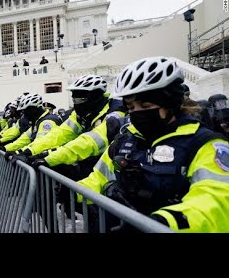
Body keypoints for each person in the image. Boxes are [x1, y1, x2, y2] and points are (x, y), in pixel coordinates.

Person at [77, 56, 229, 232]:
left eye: (145, 106)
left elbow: (216, 201)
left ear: (170, 103)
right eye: (131, 108)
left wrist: (162, 222)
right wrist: (73, 192)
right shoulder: (126, 140)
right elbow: (99, 178)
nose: (137, 113)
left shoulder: (205, 145)